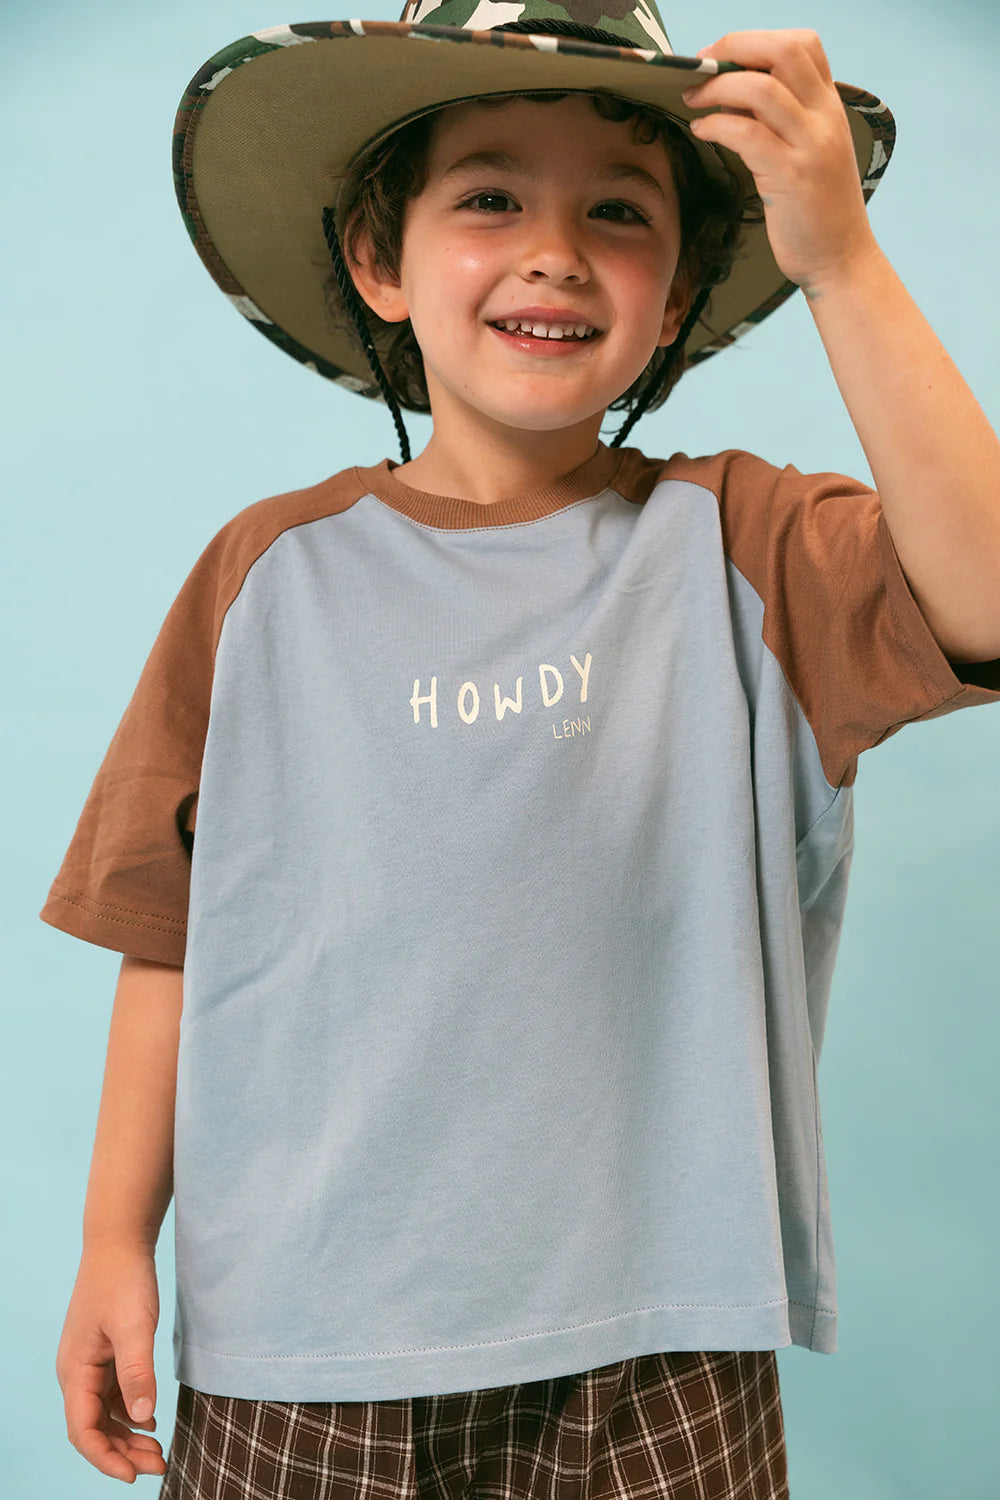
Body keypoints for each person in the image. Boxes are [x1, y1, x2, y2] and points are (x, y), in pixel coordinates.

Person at [43, 1, 1000, 1496]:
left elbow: (990, 591)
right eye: (490, 196)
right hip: (305, 1349)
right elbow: (163, 932)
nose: (554, 248)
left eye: (619, 213)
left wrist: (843, 263)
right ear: (381, 257)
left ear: (677, 291)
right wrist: (113, 1240)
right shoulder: (263, 578)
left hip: (657, 1342)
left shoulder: (747, 547)